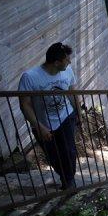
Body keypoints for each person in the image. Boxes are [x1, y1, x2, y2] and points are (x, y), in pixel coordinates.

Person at [18, 42, 80, 190]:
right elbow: (24, 104)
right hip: (43, 123)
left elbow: (72, 92)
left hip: (66, 116)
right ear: (56, 62)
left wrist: (78, 112)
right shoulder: (30, 77)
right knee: (52, 155)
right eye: (67, 59)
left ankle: (69, 182)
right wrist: (39, 127)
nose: (70, 62)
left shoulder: (68, 71)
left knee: (69, 150)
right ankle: (66, 177)